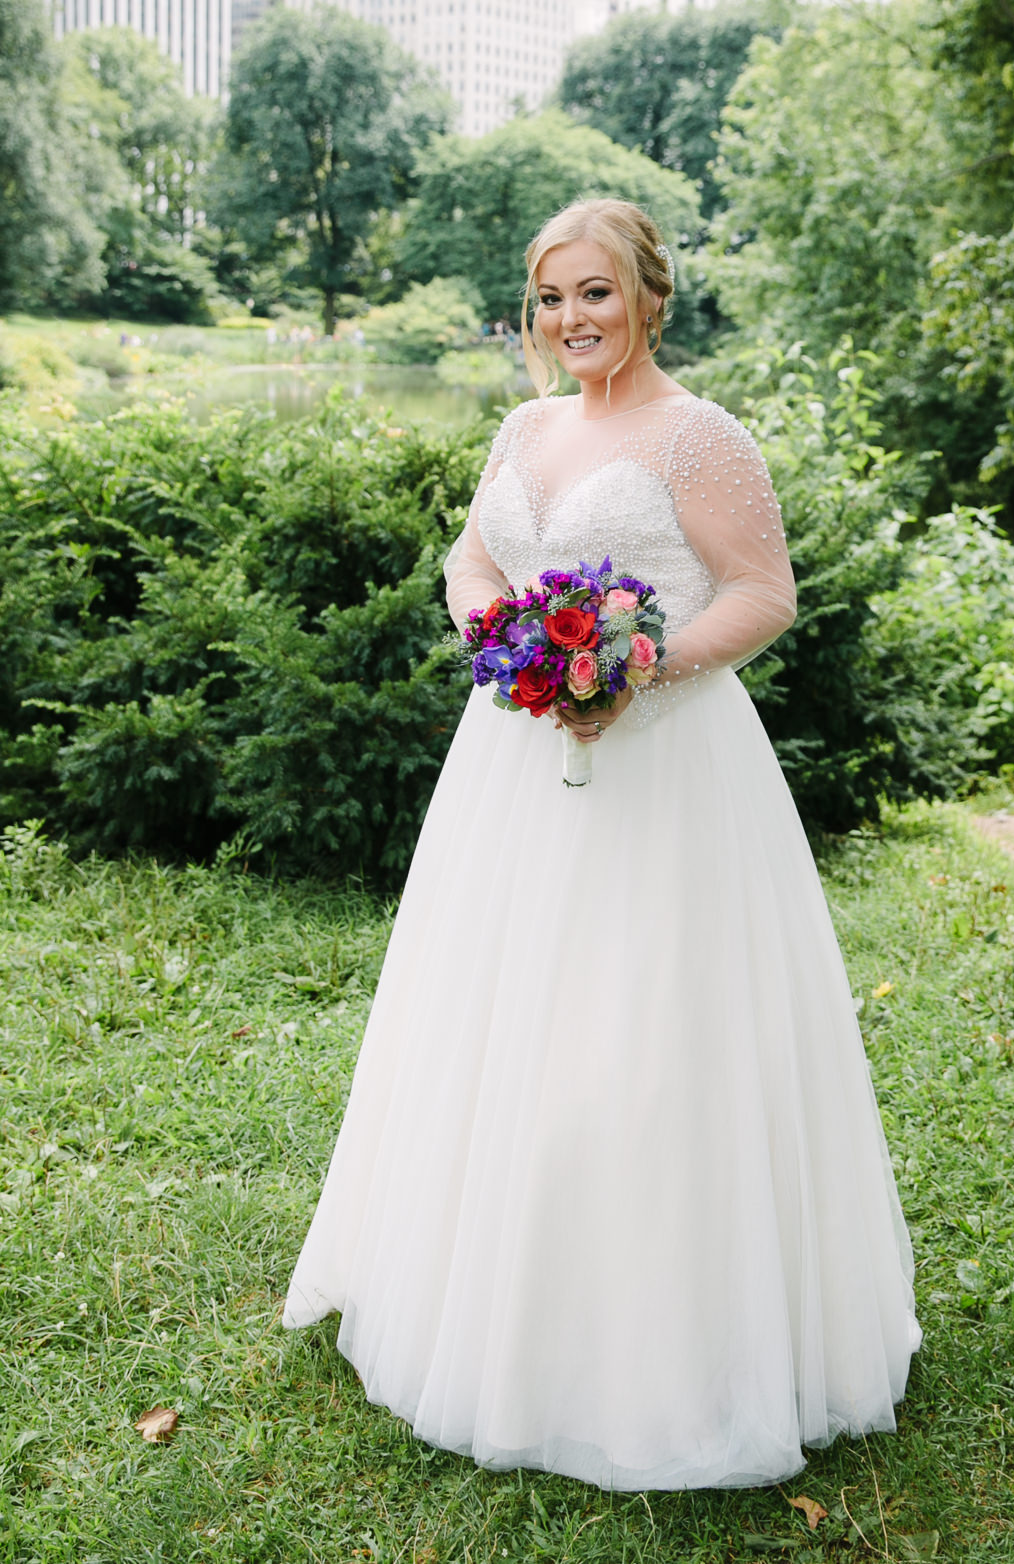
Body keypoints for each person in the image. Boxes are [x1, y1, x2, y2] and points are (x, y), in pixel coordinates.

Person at [282, 198, 920, 1489]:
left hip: (665, 774)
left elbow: (763, 593)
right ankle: (486, 1304)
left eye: (597, 294)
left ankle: (656, 1348)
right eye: (553, 299)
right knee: (500, 1024)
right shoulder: (526, 428)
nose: (573, 320)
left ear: (649, 296)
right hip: (514, 769)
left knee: (644, 1038)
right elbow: (472, 560)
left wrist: (638, 667)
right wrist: (497, 639)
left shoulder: (700, 438)